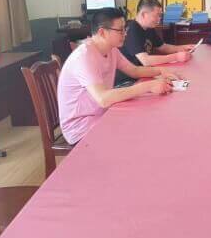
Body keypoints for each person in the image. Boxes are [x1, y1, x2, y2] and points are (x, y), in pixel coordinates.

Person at [58, 8, 179, 145]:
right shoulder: (84, 56)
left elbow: (134, 70)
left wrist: (161, 71)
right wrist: (148, 86)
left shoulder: (112, 50)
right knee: (144, 133)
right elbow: (103, 99)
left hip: (103, 114)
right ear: (102, 32)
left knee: (149, 121)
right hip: (81, 128)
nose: (125, 34)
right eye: (120, 30)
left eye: (125, 29)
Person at [121, 0, 194, 66]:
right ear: (144, 14)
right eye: (157, 15)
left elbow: (163, 47)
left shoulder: (149, 27)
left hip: (143, 70)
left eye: (160, 16)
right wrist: (176, 57)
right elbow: (145, 61)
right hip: (132, 74)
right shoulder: (132, 30)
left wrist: (183, 48)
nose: (159, 19)